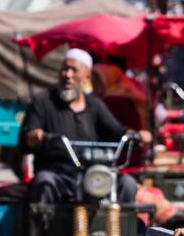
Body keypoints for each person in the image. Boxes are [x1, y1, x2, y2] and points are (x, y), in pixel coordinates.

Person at [20, 49, 151, 206]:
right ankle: (43, 230)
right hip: (58, 175)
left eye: (74, 70)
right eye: (65, 69)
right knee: (44, 182)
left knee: (127, 184)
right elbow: (25, 139)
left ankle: (121, 230)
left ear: (87, 76)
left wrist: (136, 135)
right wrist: (34, 137)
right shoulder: (43, 101)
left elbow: (117, 131)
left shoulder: (95, 105)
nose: (68, 75)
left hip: (92, 175)